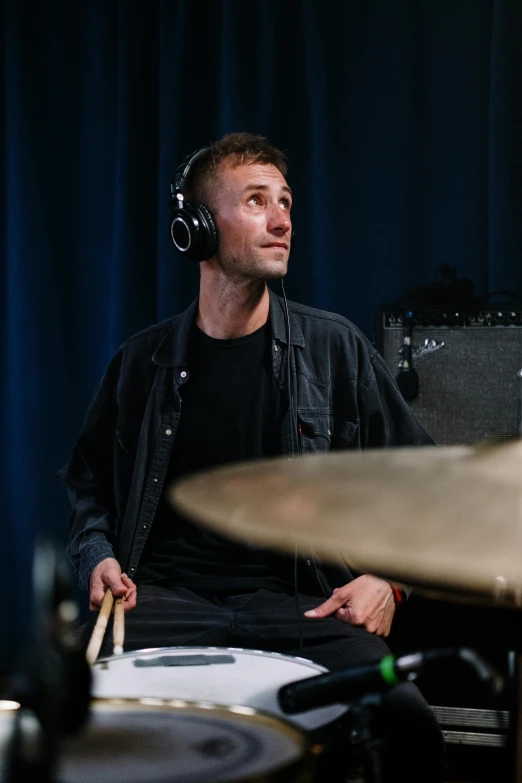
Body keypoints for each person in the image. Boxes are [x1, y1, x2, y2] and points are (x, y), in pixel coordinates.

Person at [60, 132, 444, 781]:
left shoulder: (335, 349)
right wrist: (97, 553)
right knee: (65, 717)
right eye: (257, 200)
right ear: (198, 229)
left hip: (302, 604)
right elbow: (87, 484)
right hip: (167, 602)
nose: (283, 218)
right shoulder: (141, 362)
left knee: (406, 721)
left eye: (286, 201)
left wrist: (391, 581)